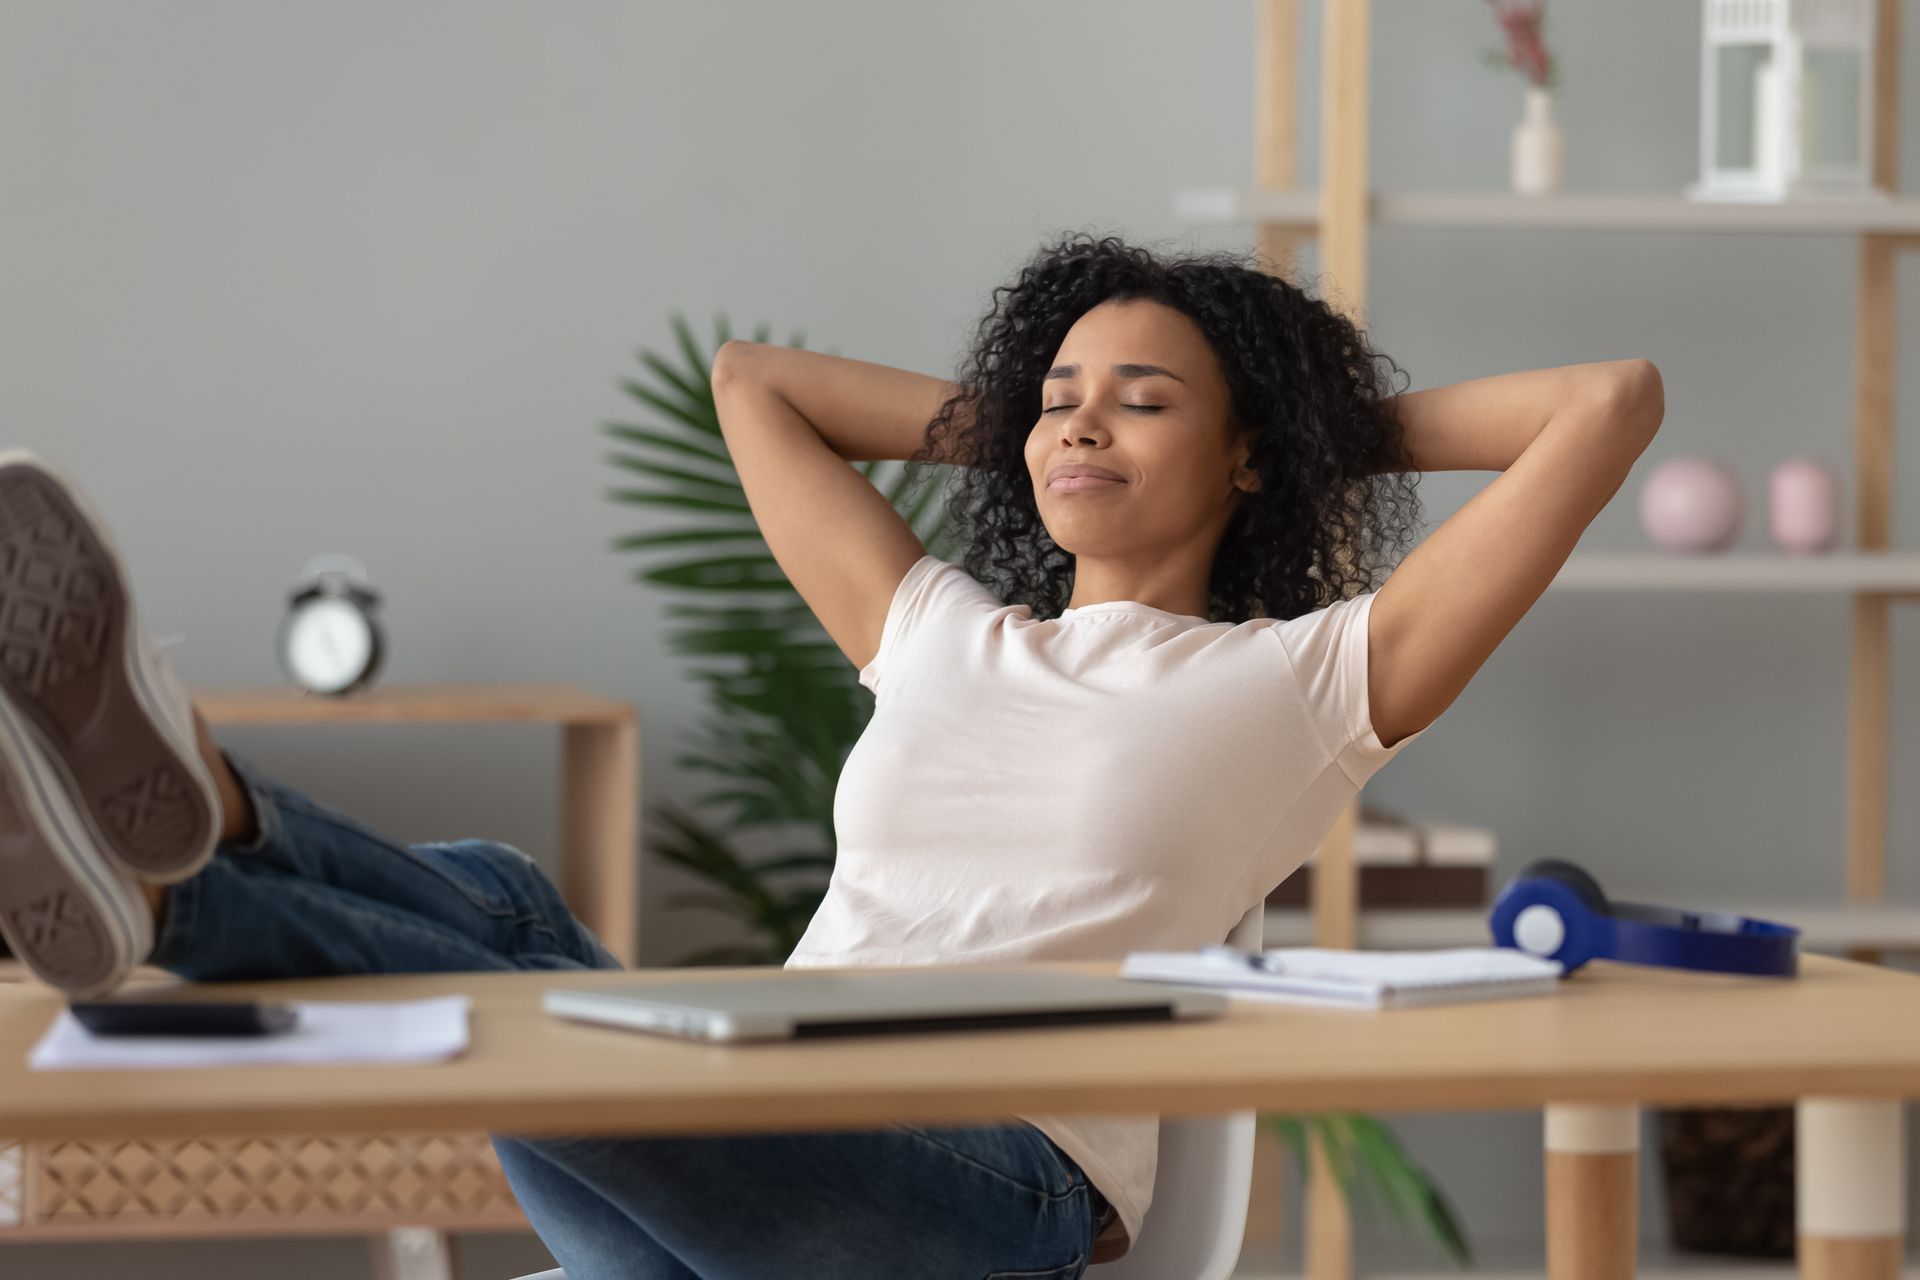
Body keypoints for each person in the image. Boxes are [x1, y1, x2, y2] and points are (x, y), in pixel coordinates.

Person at [0, 231, 1663, 1279]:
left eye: (1140, 400)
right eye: (1058, 392)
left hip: (977, 1199)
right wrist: (1036, 415)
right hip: (751, 1131)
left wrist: (1287, 412)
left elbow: (1608, 401)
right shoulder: (943, 630)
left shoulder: (1305, 680)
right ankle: (186, 830)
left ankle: (186, 859)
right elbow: (757, 384)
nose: (1079, 420)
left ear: (1243, 462)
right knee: (505, 896)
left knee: (571, 1012)